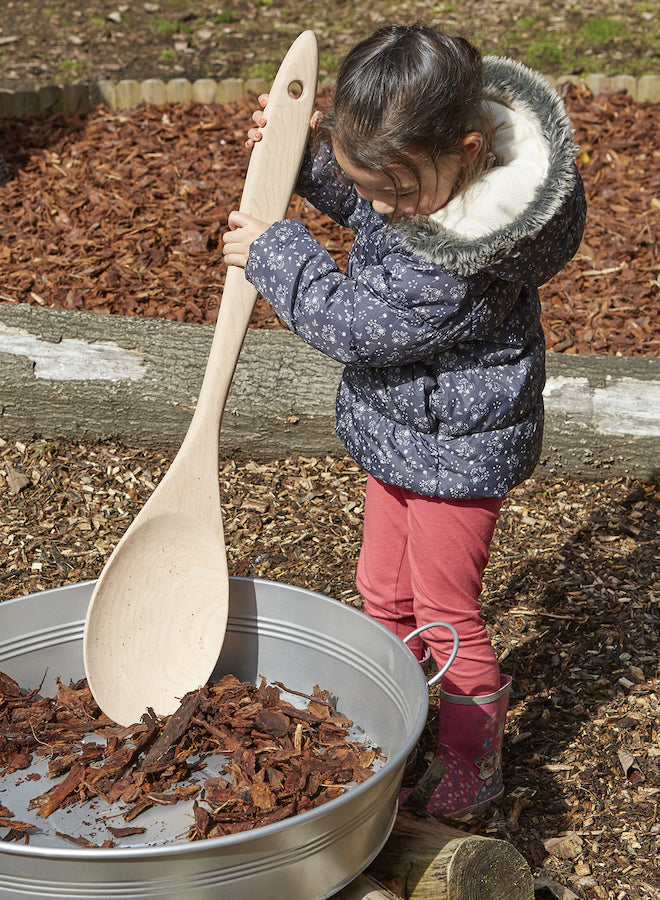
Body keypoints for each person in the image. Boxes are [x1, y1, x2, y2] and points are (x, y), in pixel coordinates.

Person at [222, 24, 586, 818]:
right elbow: (373, 198)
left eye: (396, 192)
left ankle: (470, 757)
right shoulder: (439, 173)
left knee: (446, 615)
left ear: (464, 148)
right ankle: (399, 713)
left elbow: (361, 326)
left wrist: (279, 254)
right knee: (381, 590)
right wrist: (310, 157)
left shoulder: (465, 253)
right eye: (372, 185)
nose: (381, 208)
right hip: (404, 430)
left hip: (458, 451)